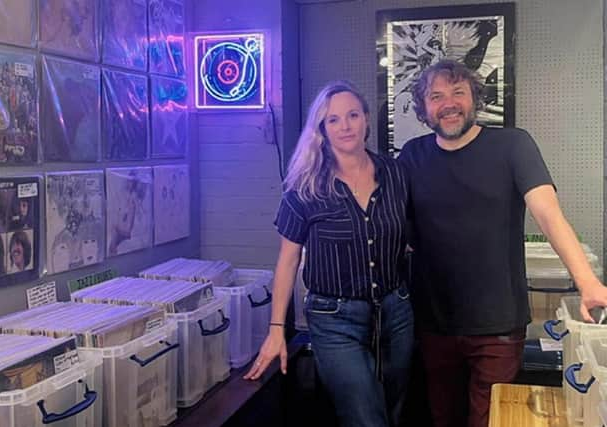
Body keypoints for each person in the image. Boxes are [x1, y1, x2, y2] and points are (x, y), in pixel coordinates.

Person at [397, 59, 607, 427]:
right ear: (423, 107)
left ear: (475, 97)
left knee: (487, 420)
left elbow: (548, 214)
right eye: (436, 96)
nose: (448, 103)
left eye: (458, 92)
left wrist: (588, 283)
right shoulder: (412, 156)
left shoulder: (513, 144)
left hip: (498, 325)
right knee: (441, 418)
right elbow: (392, 226)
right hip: (434, 323)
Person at [244, 80, 413, 427]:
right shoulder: (305, 186)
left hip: (396, 313)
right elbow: (288, 261)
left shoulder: (396, 174)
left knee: (396, 412)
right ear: (321, 129)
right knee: (367, 418)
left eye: (352, 115)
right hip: (335, 318)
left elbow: (411, 237)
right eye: (333, 120)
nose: (345, 125)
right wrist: (277, 329)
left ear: (366, 119)